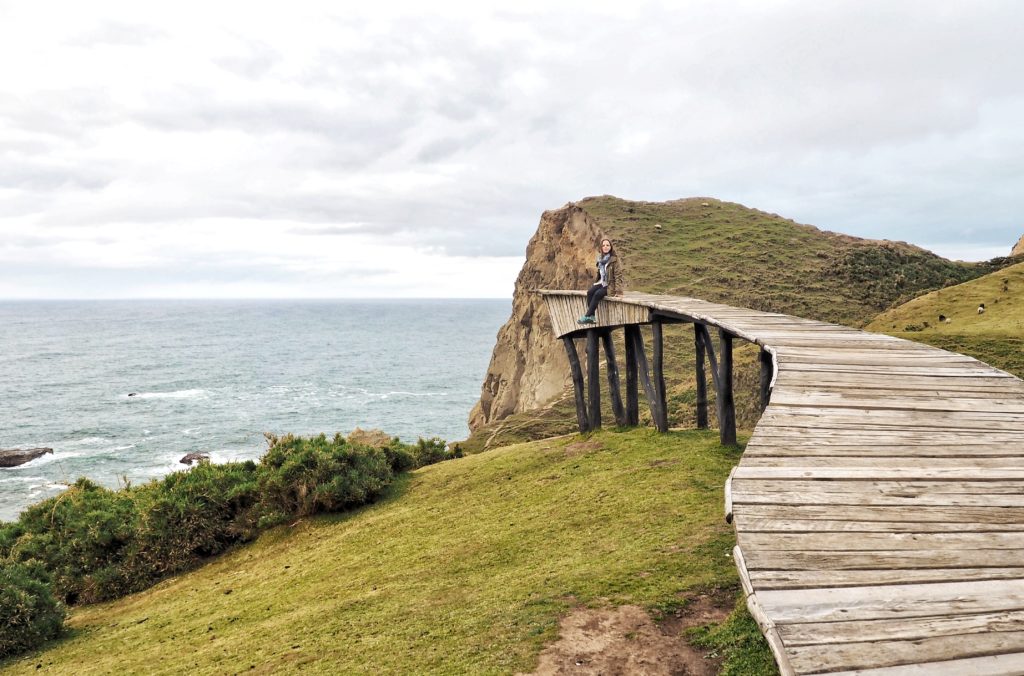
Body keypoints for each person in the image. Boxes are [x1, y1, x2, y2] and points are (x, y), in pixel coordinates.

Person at [578, 238, 624, 324]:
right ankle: (592, 317)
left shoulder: (614, 260)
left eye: (607, 245)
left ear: (611, 247)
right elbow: (600, 274)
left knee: (597, 294)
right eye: (603, 245)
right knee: (590, 292)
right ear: (601, 248)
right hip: (602, 283)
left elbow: (618, 275)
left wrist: (619, 291)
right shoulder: (600, 259)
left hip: (610, 285)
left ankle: (587, 316)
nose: (605, 247)